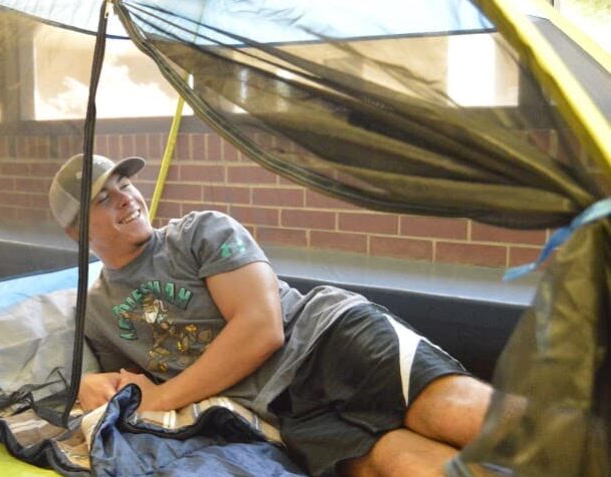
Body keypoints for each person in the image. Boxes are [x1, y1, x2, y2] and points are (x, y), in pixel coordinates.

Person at [48, 153, 492, 477]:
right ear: (76, 231)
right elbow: (124, 389)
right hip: (283, 412)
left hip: (325, 339)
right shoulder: (97, 313)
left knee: (451, 412)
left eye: (124, 185)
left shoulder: (201, 232)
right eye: (103, 198)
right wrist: (87, 384)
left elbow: (261, 329)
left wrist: (162, 399)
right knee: (398, 463)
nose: (125, 198)